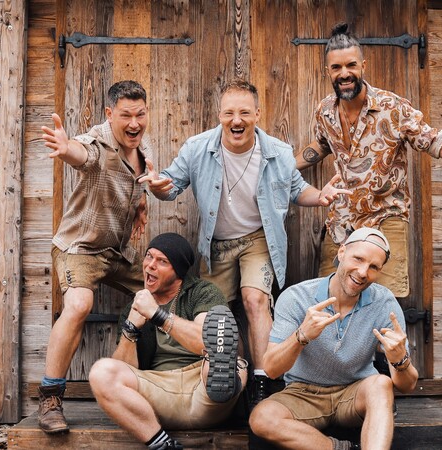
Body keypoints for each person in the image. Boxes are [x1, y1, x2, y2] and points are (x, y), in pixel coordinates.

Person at [140, 79, 350, 405]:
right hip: (216, 244)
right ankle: (230, 377)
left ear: (257, 114)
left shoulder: (278, 152)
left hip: (258, 239)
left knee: (255, 300)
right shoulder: (197, 148)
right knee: (215, 313)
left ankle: (263, 381)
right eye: (229, 113)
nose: (236, 120)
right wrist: (156, 186)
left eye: (244, 113)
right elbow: (170, 185)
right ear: (219, 115)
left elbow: (298, 190)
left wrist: (320, 195)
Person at [298, 22, 442, 298]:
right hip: (341, 223)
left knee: (383, 303)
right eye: (336, 67)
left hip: (385, 218)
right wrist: (281, 166)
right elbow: (320, 146)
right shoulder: (324, 111)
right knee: (331, 299)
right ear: (328, 71)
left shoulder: (392, 107)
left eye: (351, 65)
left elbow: (437, 143)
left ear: (363, 66)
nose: (344, 73)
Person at [36, 80, 151, 433]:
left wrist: (141, 203)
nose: (134, 123)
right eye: (126, 115)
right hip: (81, 248)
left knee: (163, 292)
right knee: (80, 304)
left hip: (117, 252)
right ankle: (50, 397)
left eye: (141, 114)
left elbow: (135, 182)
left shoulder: (142, 148)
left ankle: (162, 384)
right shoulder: (98, 142)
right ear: (109, 114)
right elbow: (82, 155)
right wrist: (65, 147)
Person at [249, 227, 418, 450]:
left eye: (374, 267)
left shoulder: (384, 303)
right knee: (261, 418)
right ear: (342, 252)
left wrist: (400, 360)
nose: (363, 272)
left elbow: (407, 385)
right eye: (358, 259)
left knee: (381, 383)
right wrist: (301, 336)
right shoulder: (297, 297)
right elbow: (271, 369)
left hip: (354, 392)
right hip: (303, 394)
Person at [89, 233, 246, 450]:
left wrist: (158, 315)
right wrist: (131, 329)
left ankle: (228, 387)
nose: (150, 265)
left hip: (204, 388)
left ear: (178, 271)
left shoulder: (202, 293)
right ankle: (162, 444)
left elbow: (207, 341)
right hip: (159, 392)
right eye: (149, 256)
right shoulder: (133, 308)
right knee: (102, 372)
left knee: (231, 362)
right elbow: (125, 369)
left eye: (162, 261)